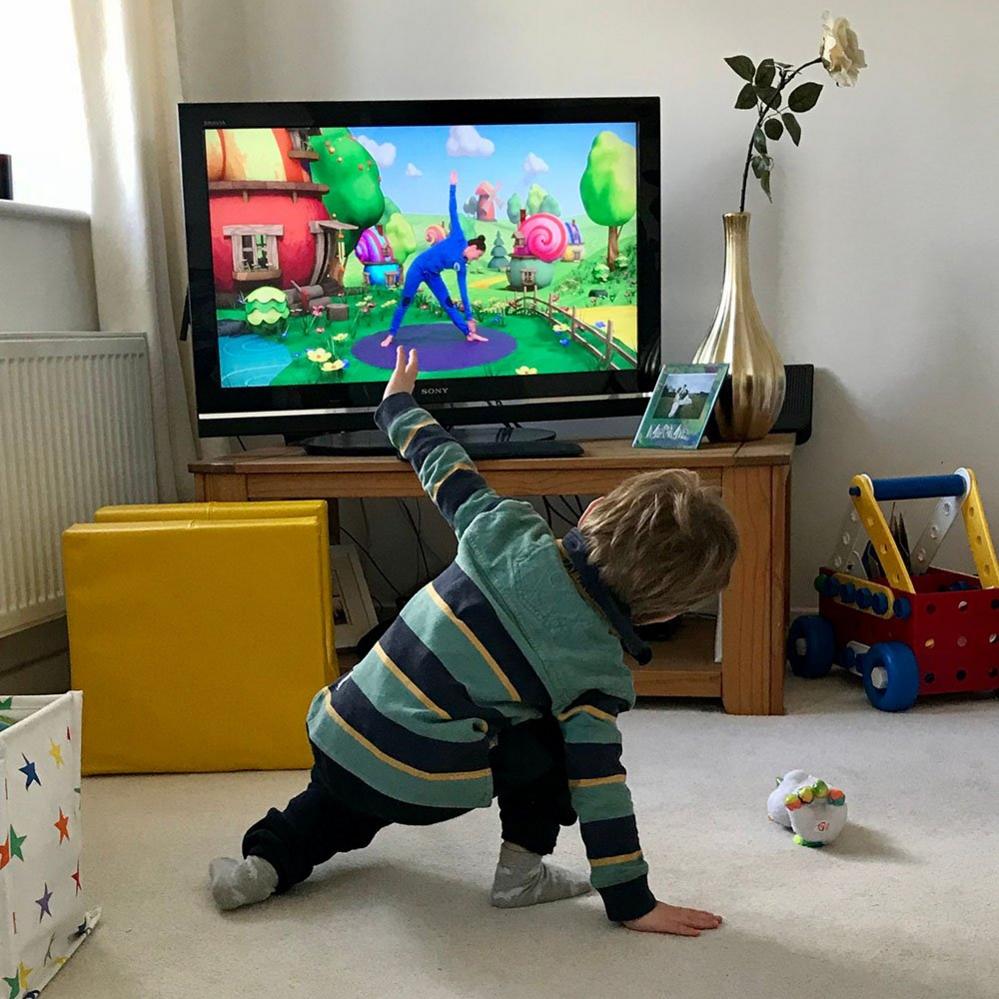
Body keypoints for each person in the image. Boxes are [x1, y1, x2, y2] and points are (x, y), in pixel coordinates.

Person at [209, 346, 739, 936]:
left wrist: (397, 406)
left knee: (335, 805)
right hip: (422, 782)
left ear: (594, 511)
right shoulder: (596, 674)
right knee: (556, 746)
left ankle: (261, 865)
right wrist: (632, 902)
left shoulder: (501, 528)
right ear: (663, 609)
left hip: (343, 727)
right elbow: (600, 789)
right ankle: (521, 874)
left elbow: (445, 465)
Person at [380, 172, 487, 348]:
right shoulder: (458, 237)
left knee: (448, 304)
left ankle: (468, 334)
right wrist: (453, 187)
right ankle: (391, 335)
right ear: (473, 248)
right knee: (405, 302)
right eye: (479, 256)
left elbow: (463, 291)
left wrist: (469, 317)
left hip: (433, 275)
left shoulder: (462, 266)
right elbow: (452, 210)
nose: (476, 259)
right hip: (418, 268)